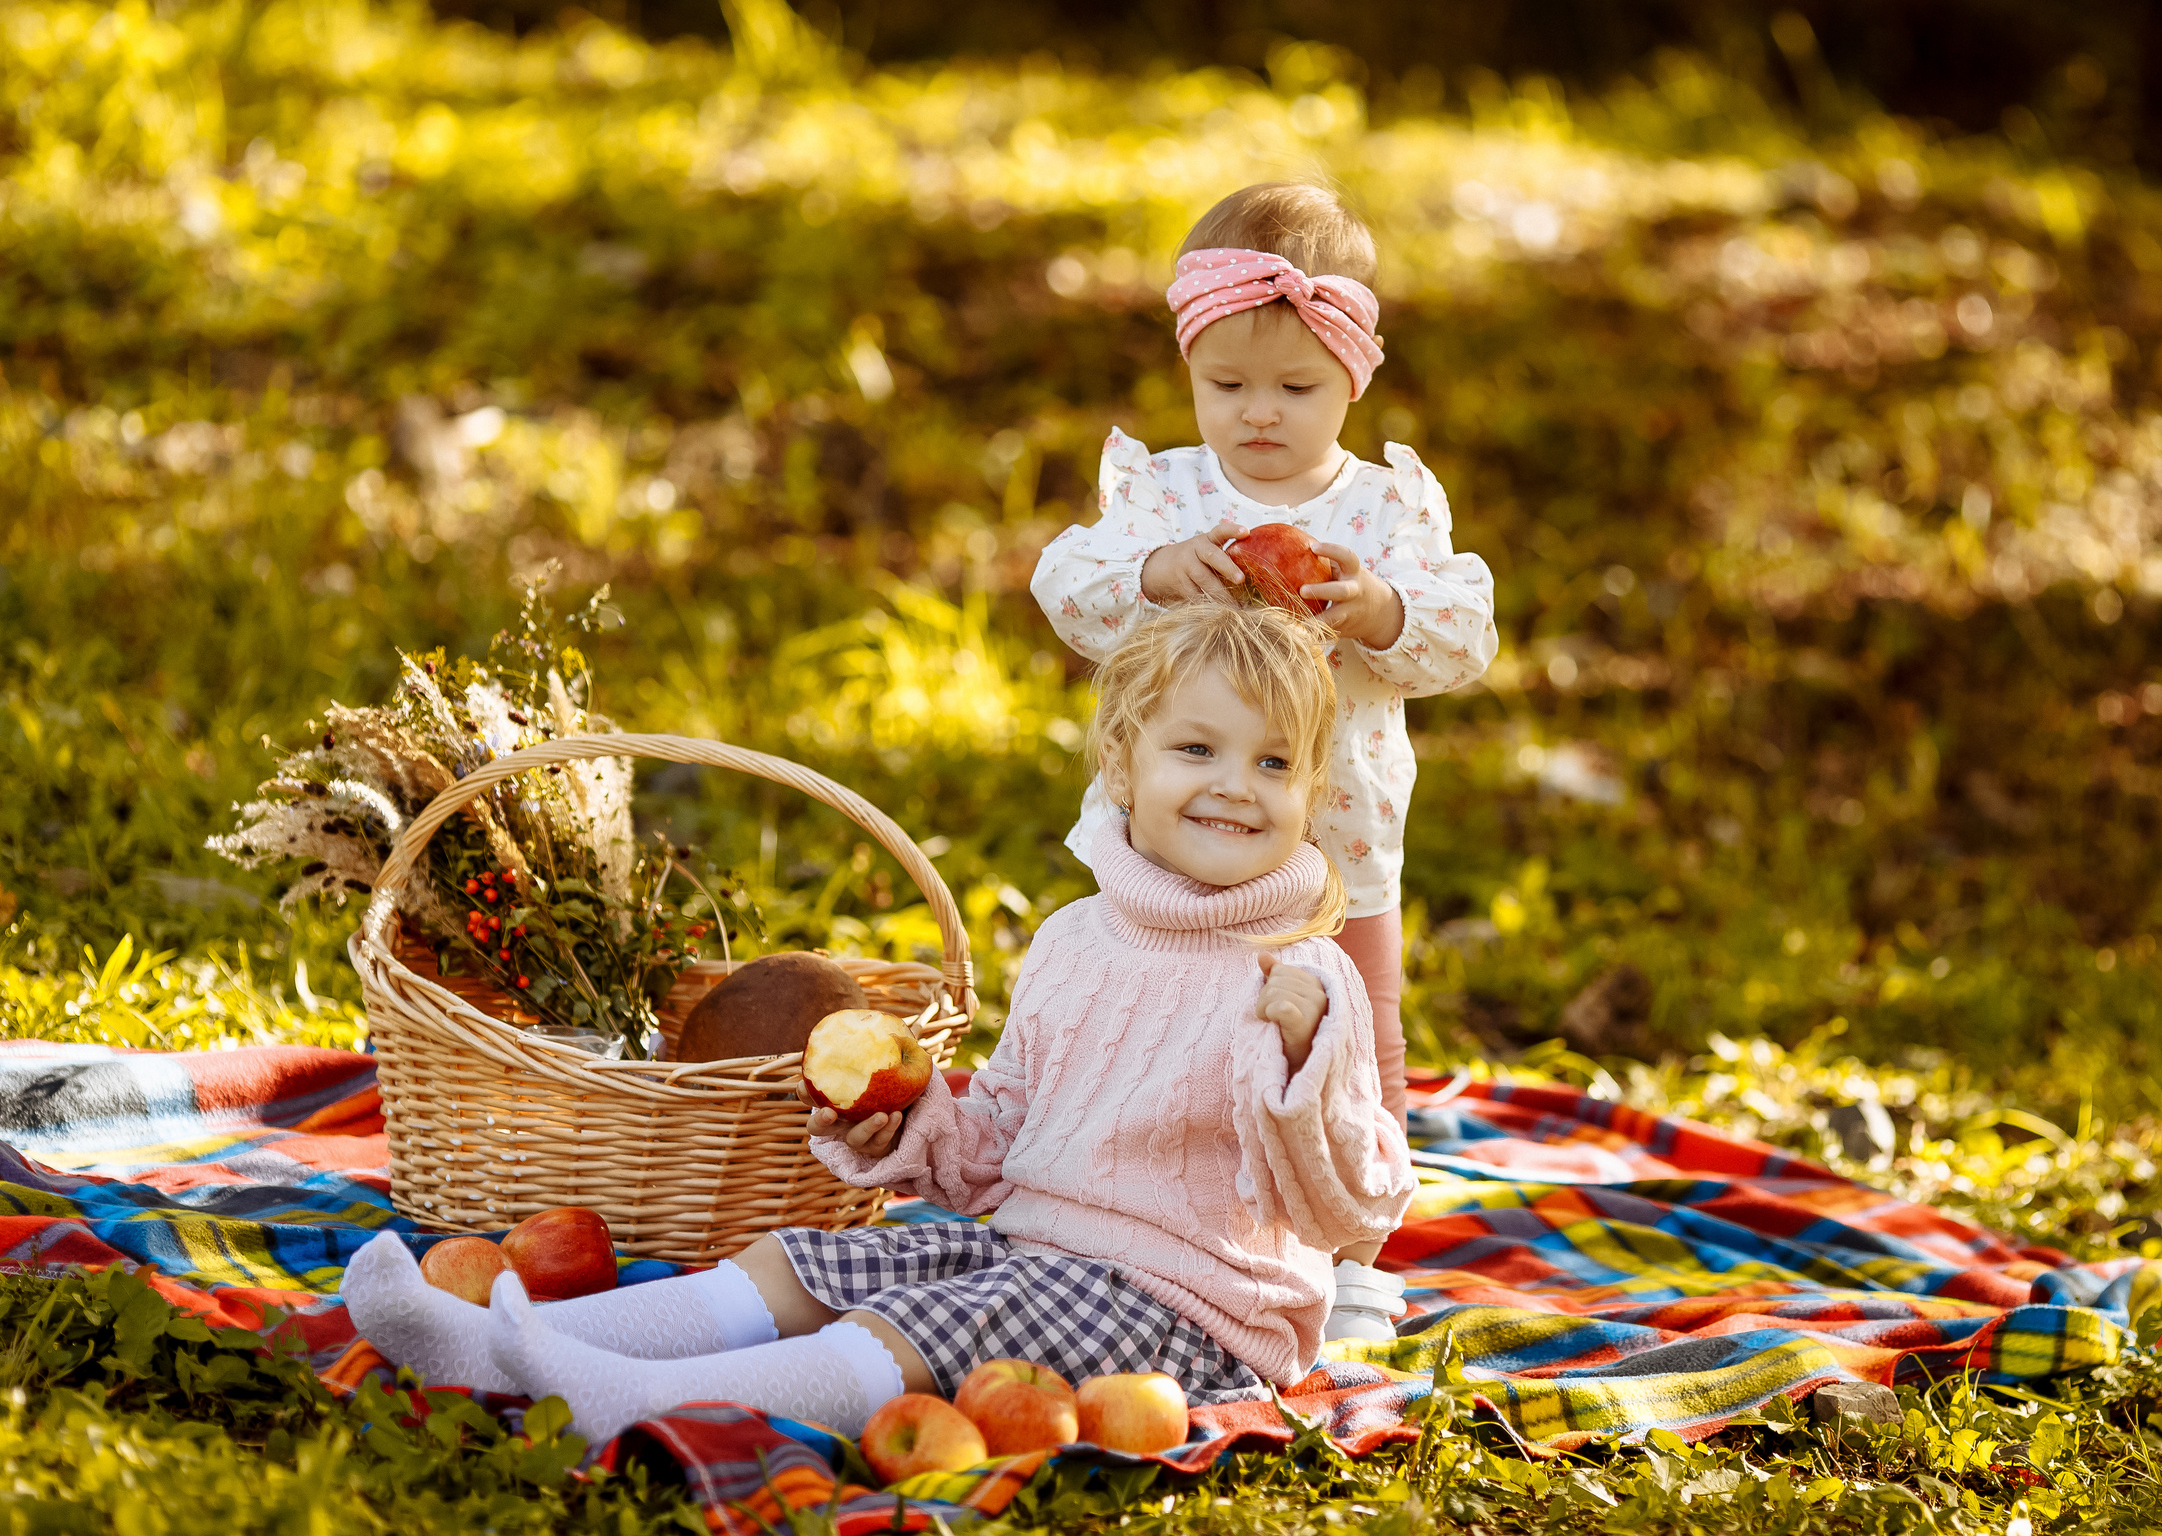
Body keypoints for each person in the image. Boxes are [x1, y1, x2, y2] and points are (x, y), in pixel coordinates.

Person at [340, 601, 1416, 1446]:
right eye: (1198, 750)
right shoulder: (1075, 940)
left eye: (1273, 763)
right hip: (1034, 1248)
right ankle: (497, 1338)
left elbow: (1355, 1202)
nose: (1236, 787)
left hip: (1194, 1314)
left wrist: (1301, 1066)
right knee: (821, 1263)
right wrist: (914, 1126)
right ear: (1124, 765)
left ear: (1311, 792)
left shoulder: (1302, 975)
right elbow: (1005, 1138)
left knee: (942, 1319)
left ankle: (642, 1400)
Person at [1031, 181, 1499, 1131]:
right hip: (1179, 816)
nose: (1259, 414)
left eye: (1295, 389)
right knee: (1151, 1004)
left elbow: (1468, 634)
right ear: (1190, 369)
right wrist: (1157, 572)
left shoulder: (1385, 509)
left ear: (1352, 377)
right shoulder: (1166, 496)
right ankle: (1141, 1154)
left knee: (1358, 1018)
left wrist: (1380, 609)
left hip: (1338, 827)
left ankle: (1364, 1197)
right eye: (1227, 386)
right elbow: (1065, 587)